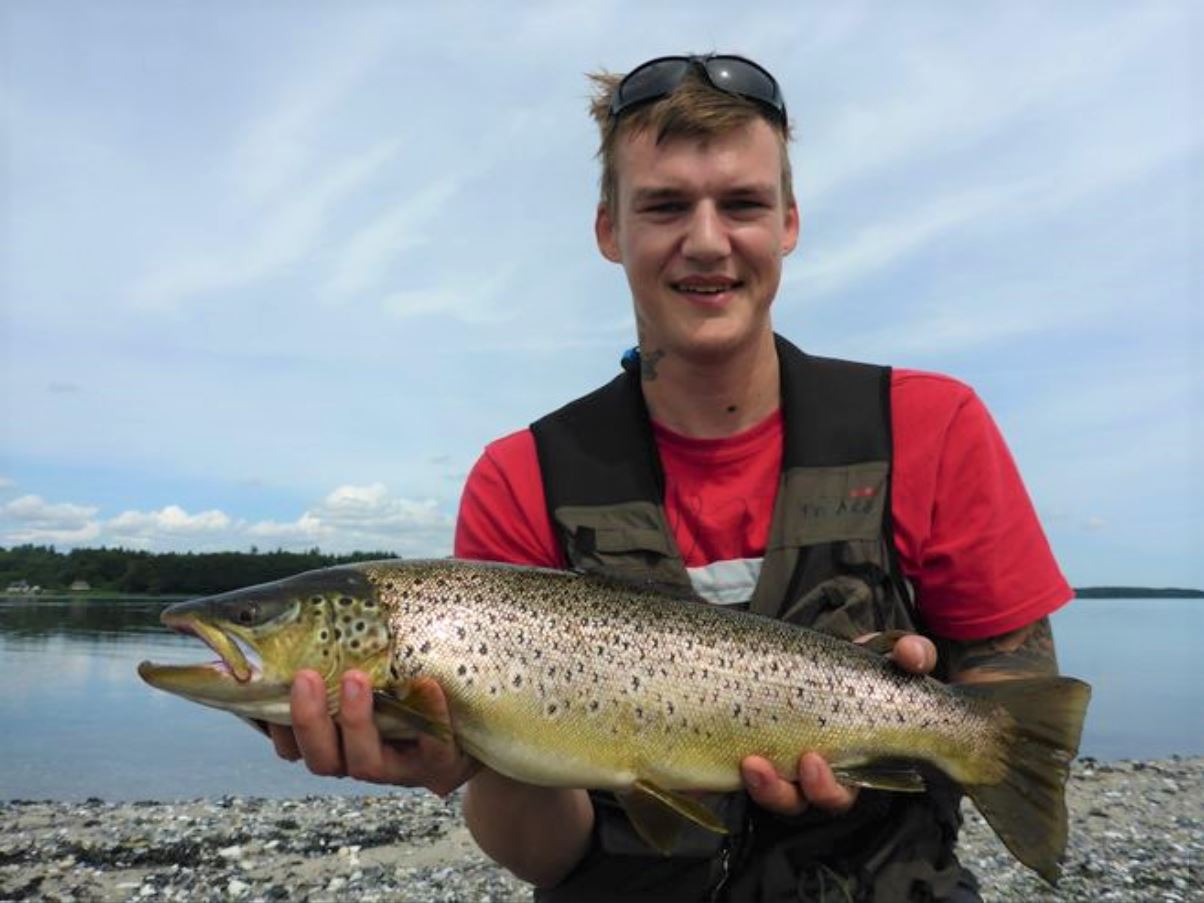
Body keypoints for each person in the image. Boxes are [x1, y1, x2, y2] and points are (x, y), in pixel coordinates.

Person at [267, 53, 1071, 902]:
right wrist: (462, 754)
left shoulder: (931, 425)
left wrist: (902, 716)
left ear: (789, 222)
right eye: (664, 206)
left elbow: (1019, 714)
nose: (708, 240)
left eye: (743, 204)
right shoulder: (520, 477)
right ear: (609, 229)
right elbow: (545, 854)